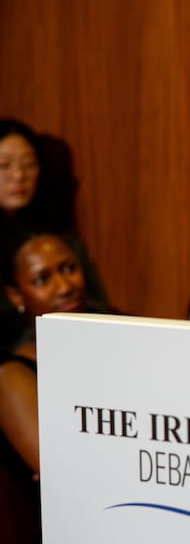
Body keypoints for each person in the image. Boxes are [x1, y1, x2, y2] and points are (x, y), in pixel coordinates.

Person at [0, 228, 101, 543]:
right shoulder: (11, 376)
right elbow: (65, 476)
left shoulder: (111, 344)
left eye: (69, 268)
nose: (66, 286)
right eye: (43, 279)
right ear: (16, 295)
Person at [0, 118, 112, 348]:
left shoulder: (60, 239)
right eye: (4, 165)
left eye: (29, 163)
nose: (19, 175)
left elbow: (98, 305)